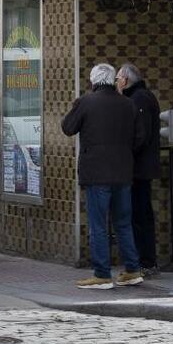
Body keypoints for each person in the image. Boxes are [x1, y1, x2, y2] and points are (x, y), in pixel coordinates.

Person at [62, 63, 146, 290]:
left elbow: (68, 127)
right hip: (123, 173)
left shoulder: (86, 102)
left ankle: (102, 274)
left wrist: (75, 107)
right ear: (112, 80)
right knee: (123, 223)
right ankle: (132, 270)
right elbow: (140, 138)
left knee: (98, 225)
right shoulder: (128, 104)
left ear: (93, 81)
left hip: (97, 174)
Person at [116, 63, 161, 278]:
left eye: (118, 78)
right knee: (138, 214)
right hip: (137, 167)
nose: (116, 82)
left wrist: (126, 154)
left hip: (139, 169)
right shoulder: (137, 97)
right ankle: (144, 260)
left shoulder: (139, 99)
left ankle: (146, 261)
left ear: (126, 80)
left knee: (140, 215)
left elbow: (139, 135)